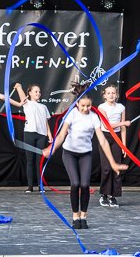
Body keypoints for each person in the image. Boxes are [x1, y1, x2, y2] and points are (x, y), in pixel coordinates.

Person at [43, 86, 128, 229]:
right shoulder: (71, 115)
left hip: (85, 154)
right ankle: (75, 216)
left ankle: (83, 216)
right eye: (82, 106)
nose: (85, 109)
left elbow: (103, 141)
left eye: (88, 106)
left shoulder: (94, 117)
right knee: (75, 183)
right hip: (69, 153)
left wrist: (113, 163)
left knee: (85, 185)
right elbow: (62, 135)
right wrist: (51, 149)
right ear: (77, 103)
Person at [97, 85, 131, 208]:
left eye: (113, 93)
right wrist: (123, 123)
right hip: (105, 137)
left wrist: (123, 145)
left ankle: (113, 196)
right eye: (108, 93)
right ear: (104, 95)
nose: (111, 95)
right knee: (106, 167)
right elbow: (107, 125)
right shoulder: (101, 107)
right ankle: (104, 195)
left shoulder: (121, 107)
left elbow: (123, 129)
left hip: (116, 138)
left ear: (116, 95)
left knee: (117, 167)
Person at [16, 83, 53, 193]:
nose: (38, 93)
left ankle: (40, 186)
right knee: (30, 160)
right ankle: (30, 186)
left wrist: (49, 134)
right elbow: (22, 97)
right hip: (29, 134)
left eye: (39, 92)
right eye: (35, 91)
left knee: (39, 161)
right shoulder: (27, 103)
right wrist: (19, 87)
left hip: (41, 135)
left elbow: (46, 122)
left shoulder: (44, 107)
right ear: (30, 93)